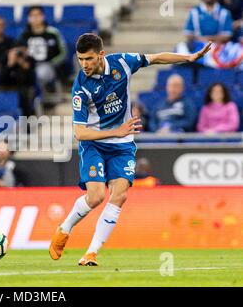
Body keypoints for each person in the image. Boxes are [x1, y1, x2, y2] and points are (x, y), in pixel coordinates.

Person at [48, 33, 211, 266]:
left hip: (122, 145)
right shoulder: (80, 88)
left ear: (101, 55)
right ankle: (64, 229)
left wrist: (188, 57)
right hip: (94, 143)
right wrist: (117, 131)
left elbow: (155, 58)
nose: (84, 64)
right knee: (96, 197)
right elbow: (80, 133)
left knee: (120, 195)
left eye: (89, 59)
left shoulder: (122, 62)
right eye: (81, 59)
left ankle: (91, 253)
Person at [17, 6, 67, 92]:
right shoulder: (24, 35)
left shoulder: (53, 33)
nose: (35, 18)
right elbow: (17, 51)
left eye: (38, 15)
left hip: (48, 66)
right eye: (32, 15)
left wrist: (52, 63)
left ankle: (39, 95)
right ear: (28, 18)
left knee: (40, 73)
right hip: (28, 66)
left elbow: (63, 53)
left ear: (43, 16)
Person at [0, 45, 37, 116]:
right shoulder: (4, 60)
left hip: (24, 89)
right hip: (6, 88)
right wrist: (9, 65)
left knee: (23, 95)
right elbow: (0, 81)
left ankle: (26, 122)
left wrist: (24, 66)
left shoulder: (30, 60)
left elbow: (32, 81)